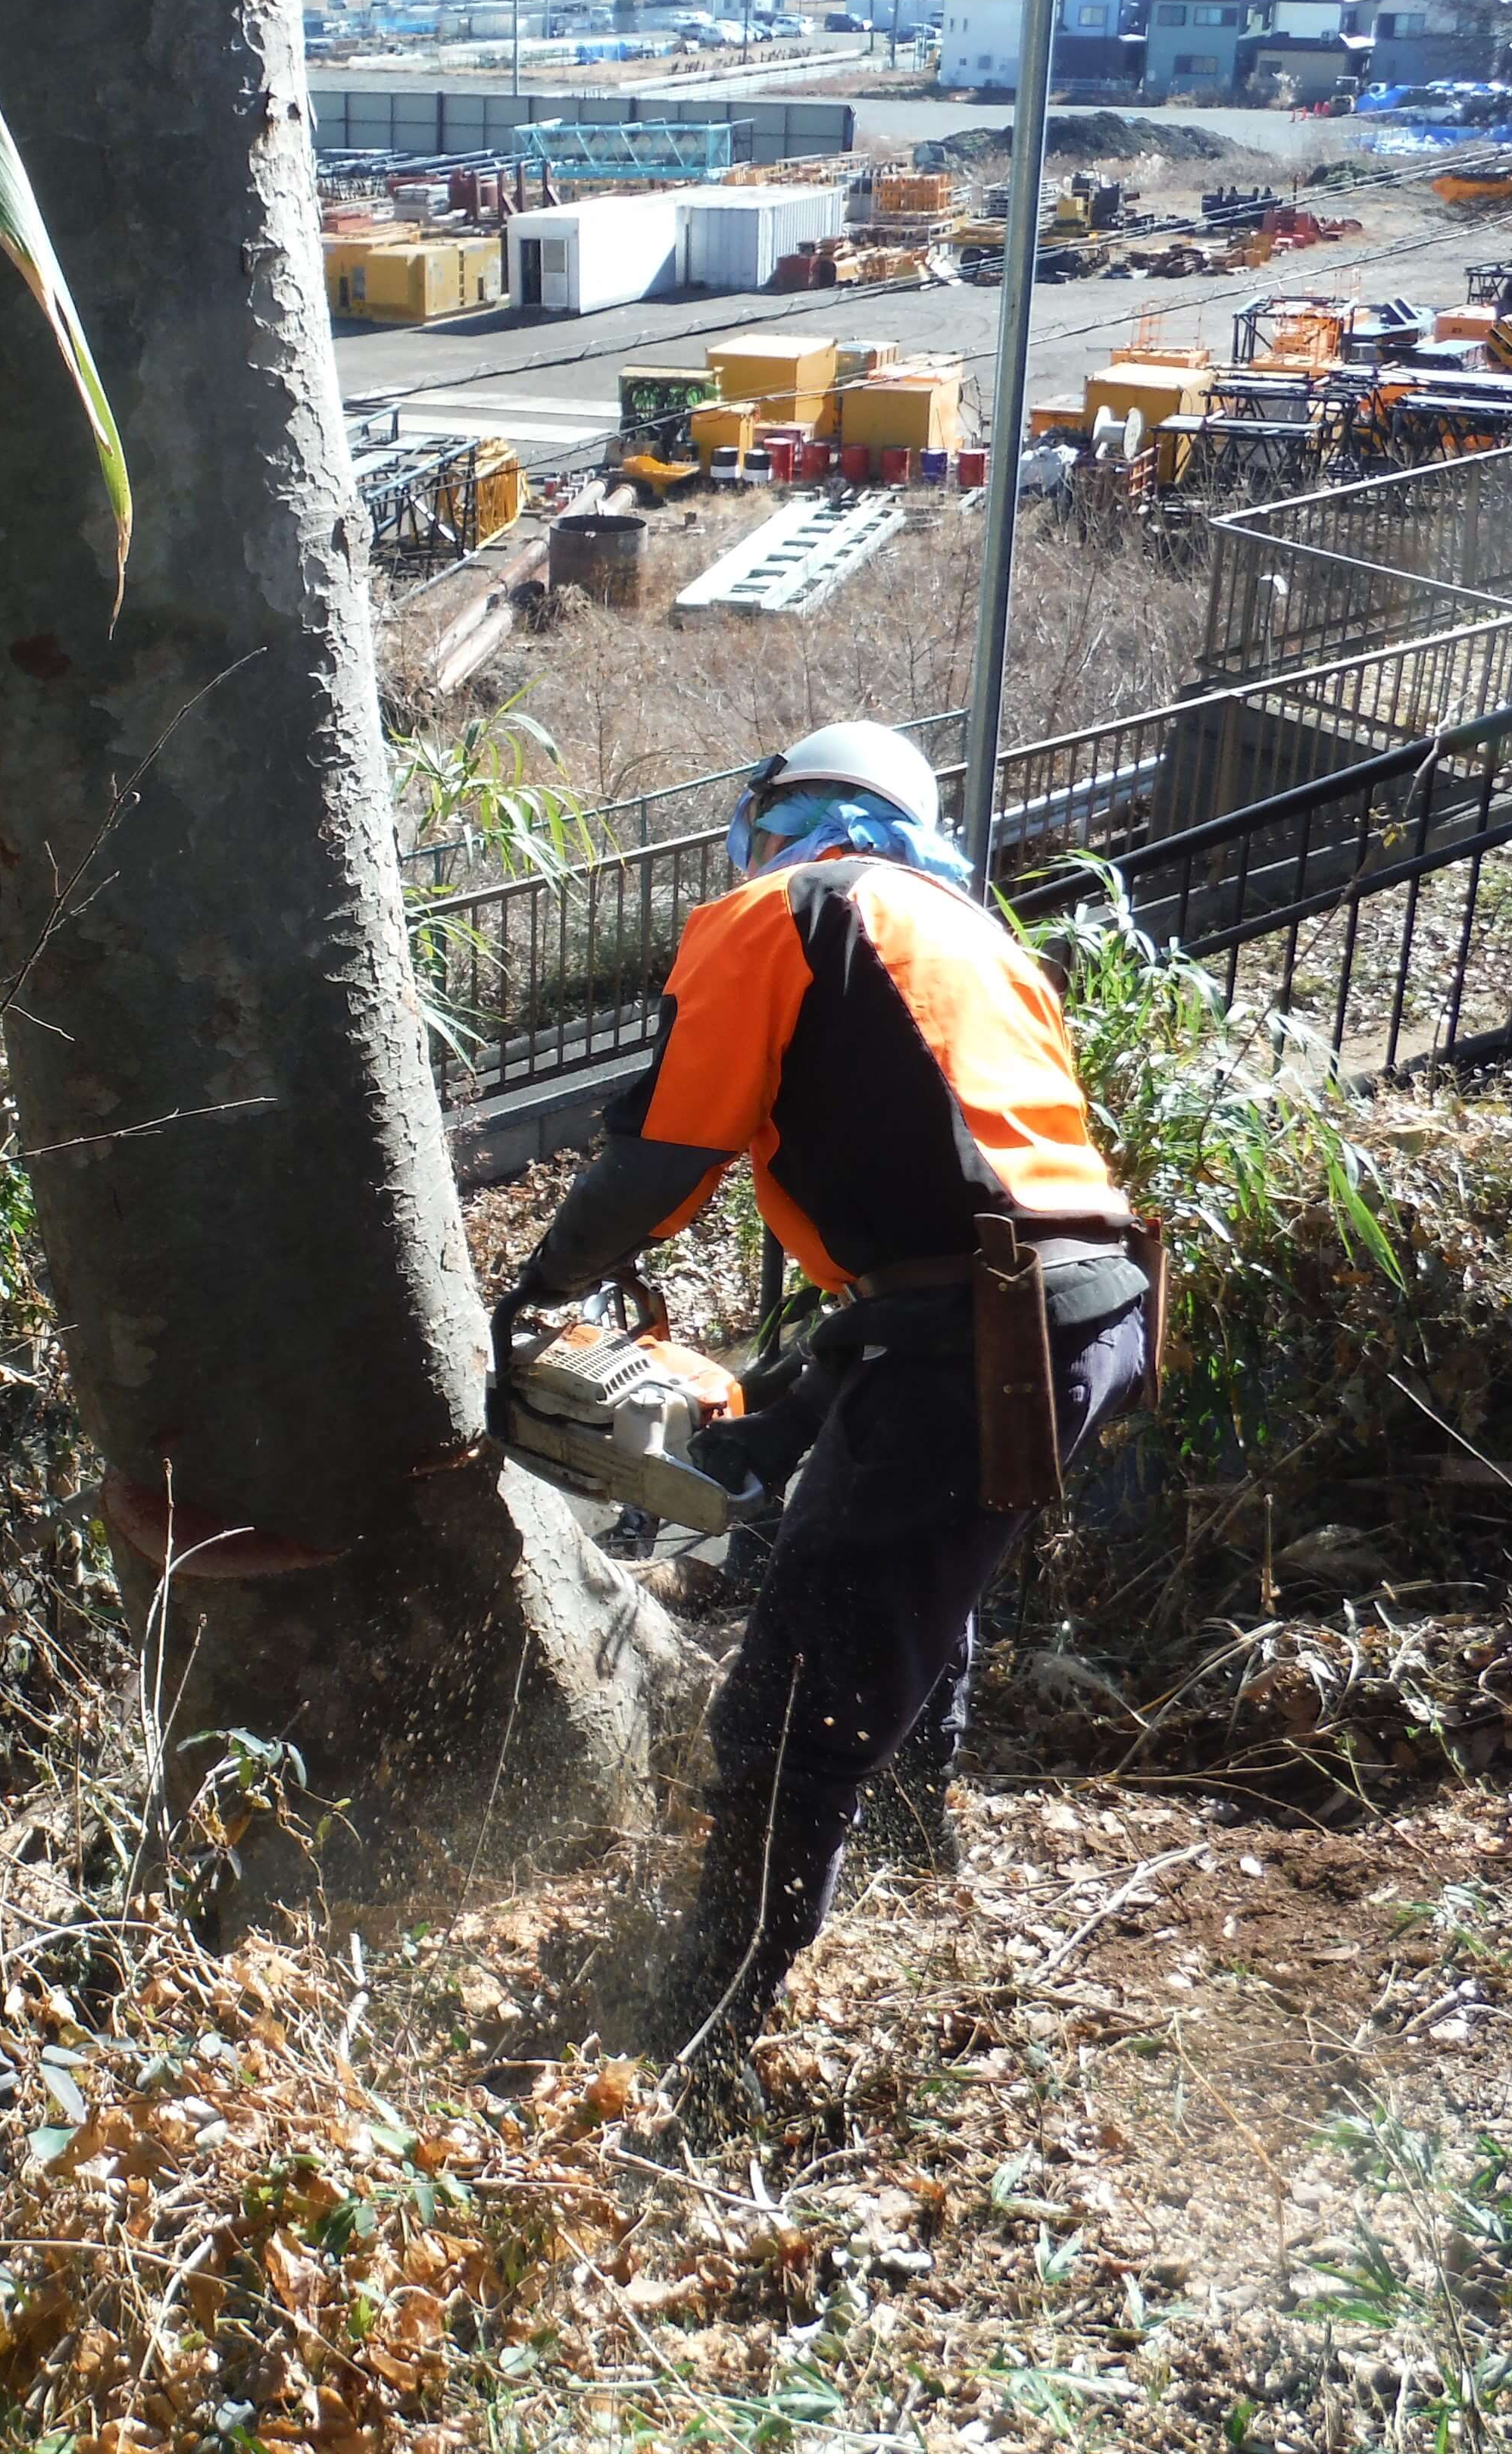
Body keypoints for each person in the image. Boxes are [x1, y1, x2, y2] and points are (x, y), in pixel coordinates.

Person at [498, 721, 1154, 2068]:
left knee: (792, 1703)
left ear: (784, 813)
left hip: (970, 1327)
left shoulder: (782, 907)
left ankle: (707, 2022)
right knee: (916, 1566)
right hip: (1081, 1309)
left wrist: (537, 1283)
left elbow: (666, 1153)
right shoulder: (973, 936)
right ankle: (919, 1835)